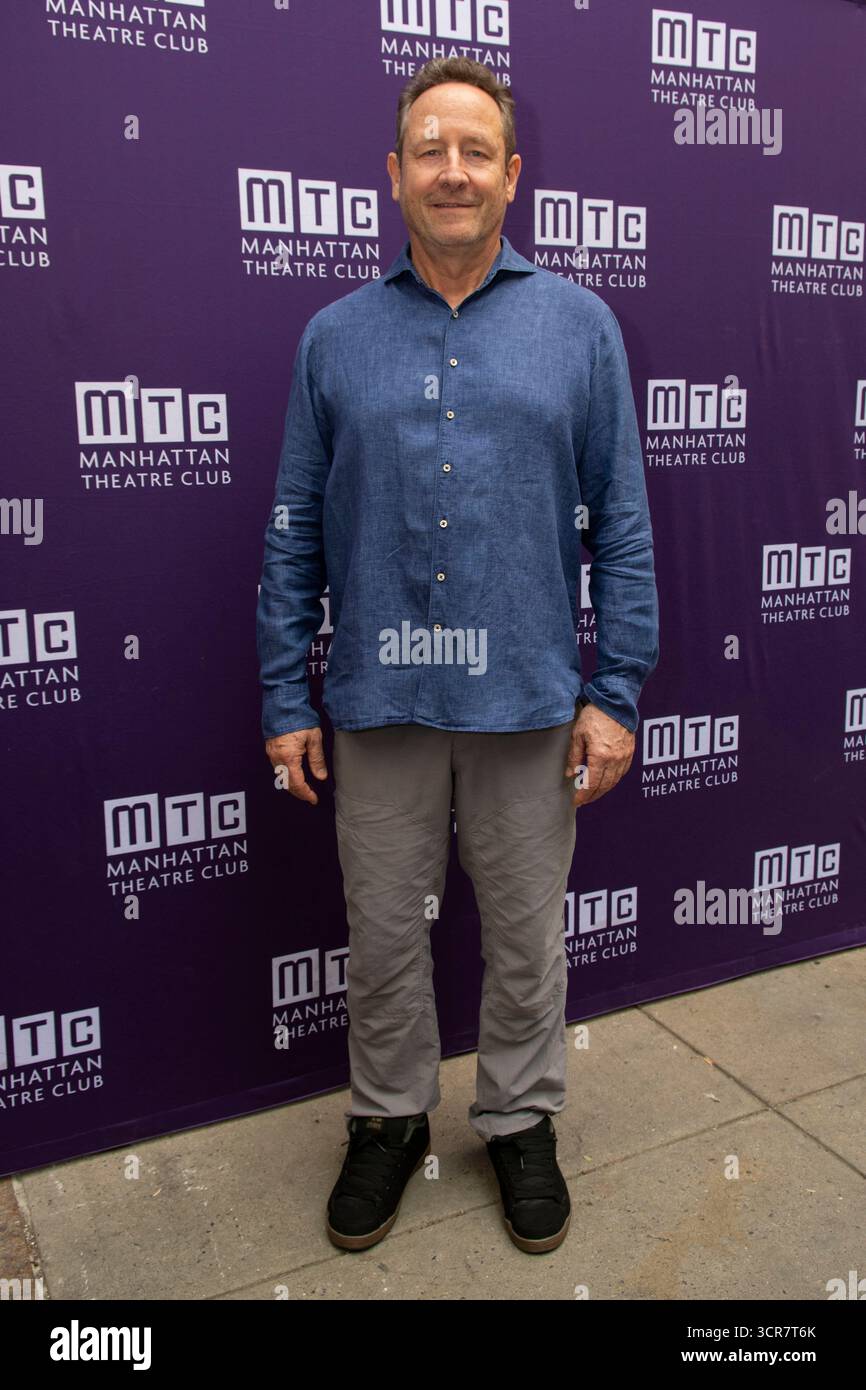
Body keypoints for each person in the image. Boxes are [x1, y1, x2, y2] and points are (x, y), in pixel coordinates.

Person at [256, 57, 659, 1256]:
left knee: (528, 936)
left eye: (474, 151)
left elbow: (622, 523)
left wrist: (615, 689)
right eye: (428, 149)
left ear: (512, 176)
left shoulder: (580, 328)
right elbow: (293, 529)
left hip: (529, 700)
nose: (451, 170)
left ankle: (518, 1119)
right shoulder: (334, 338)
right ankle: (386, 1122)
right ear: (392, 175)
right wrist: (286, 692)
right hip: (377, 700)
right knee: (382, 934)